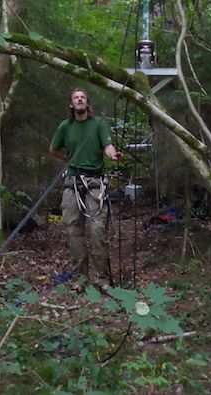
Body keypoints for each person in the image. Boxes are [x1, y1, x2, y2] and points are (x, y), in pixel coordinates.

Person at [49, 87, 120, 289]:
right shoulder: (65, 127)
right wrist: (69, 159)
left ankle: (101, 279)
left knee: (98, 229)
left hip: (94, 183)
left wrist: (113, 155)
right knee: (74, 232)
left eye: (83, 97)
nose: (80, 100)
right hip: (72, 183)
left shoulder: (98, 124)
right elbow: (53, 149)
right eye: (76, 98)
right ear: (71, 104)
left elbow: (107, 145)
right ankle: (80, 279)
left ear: (87, 103)